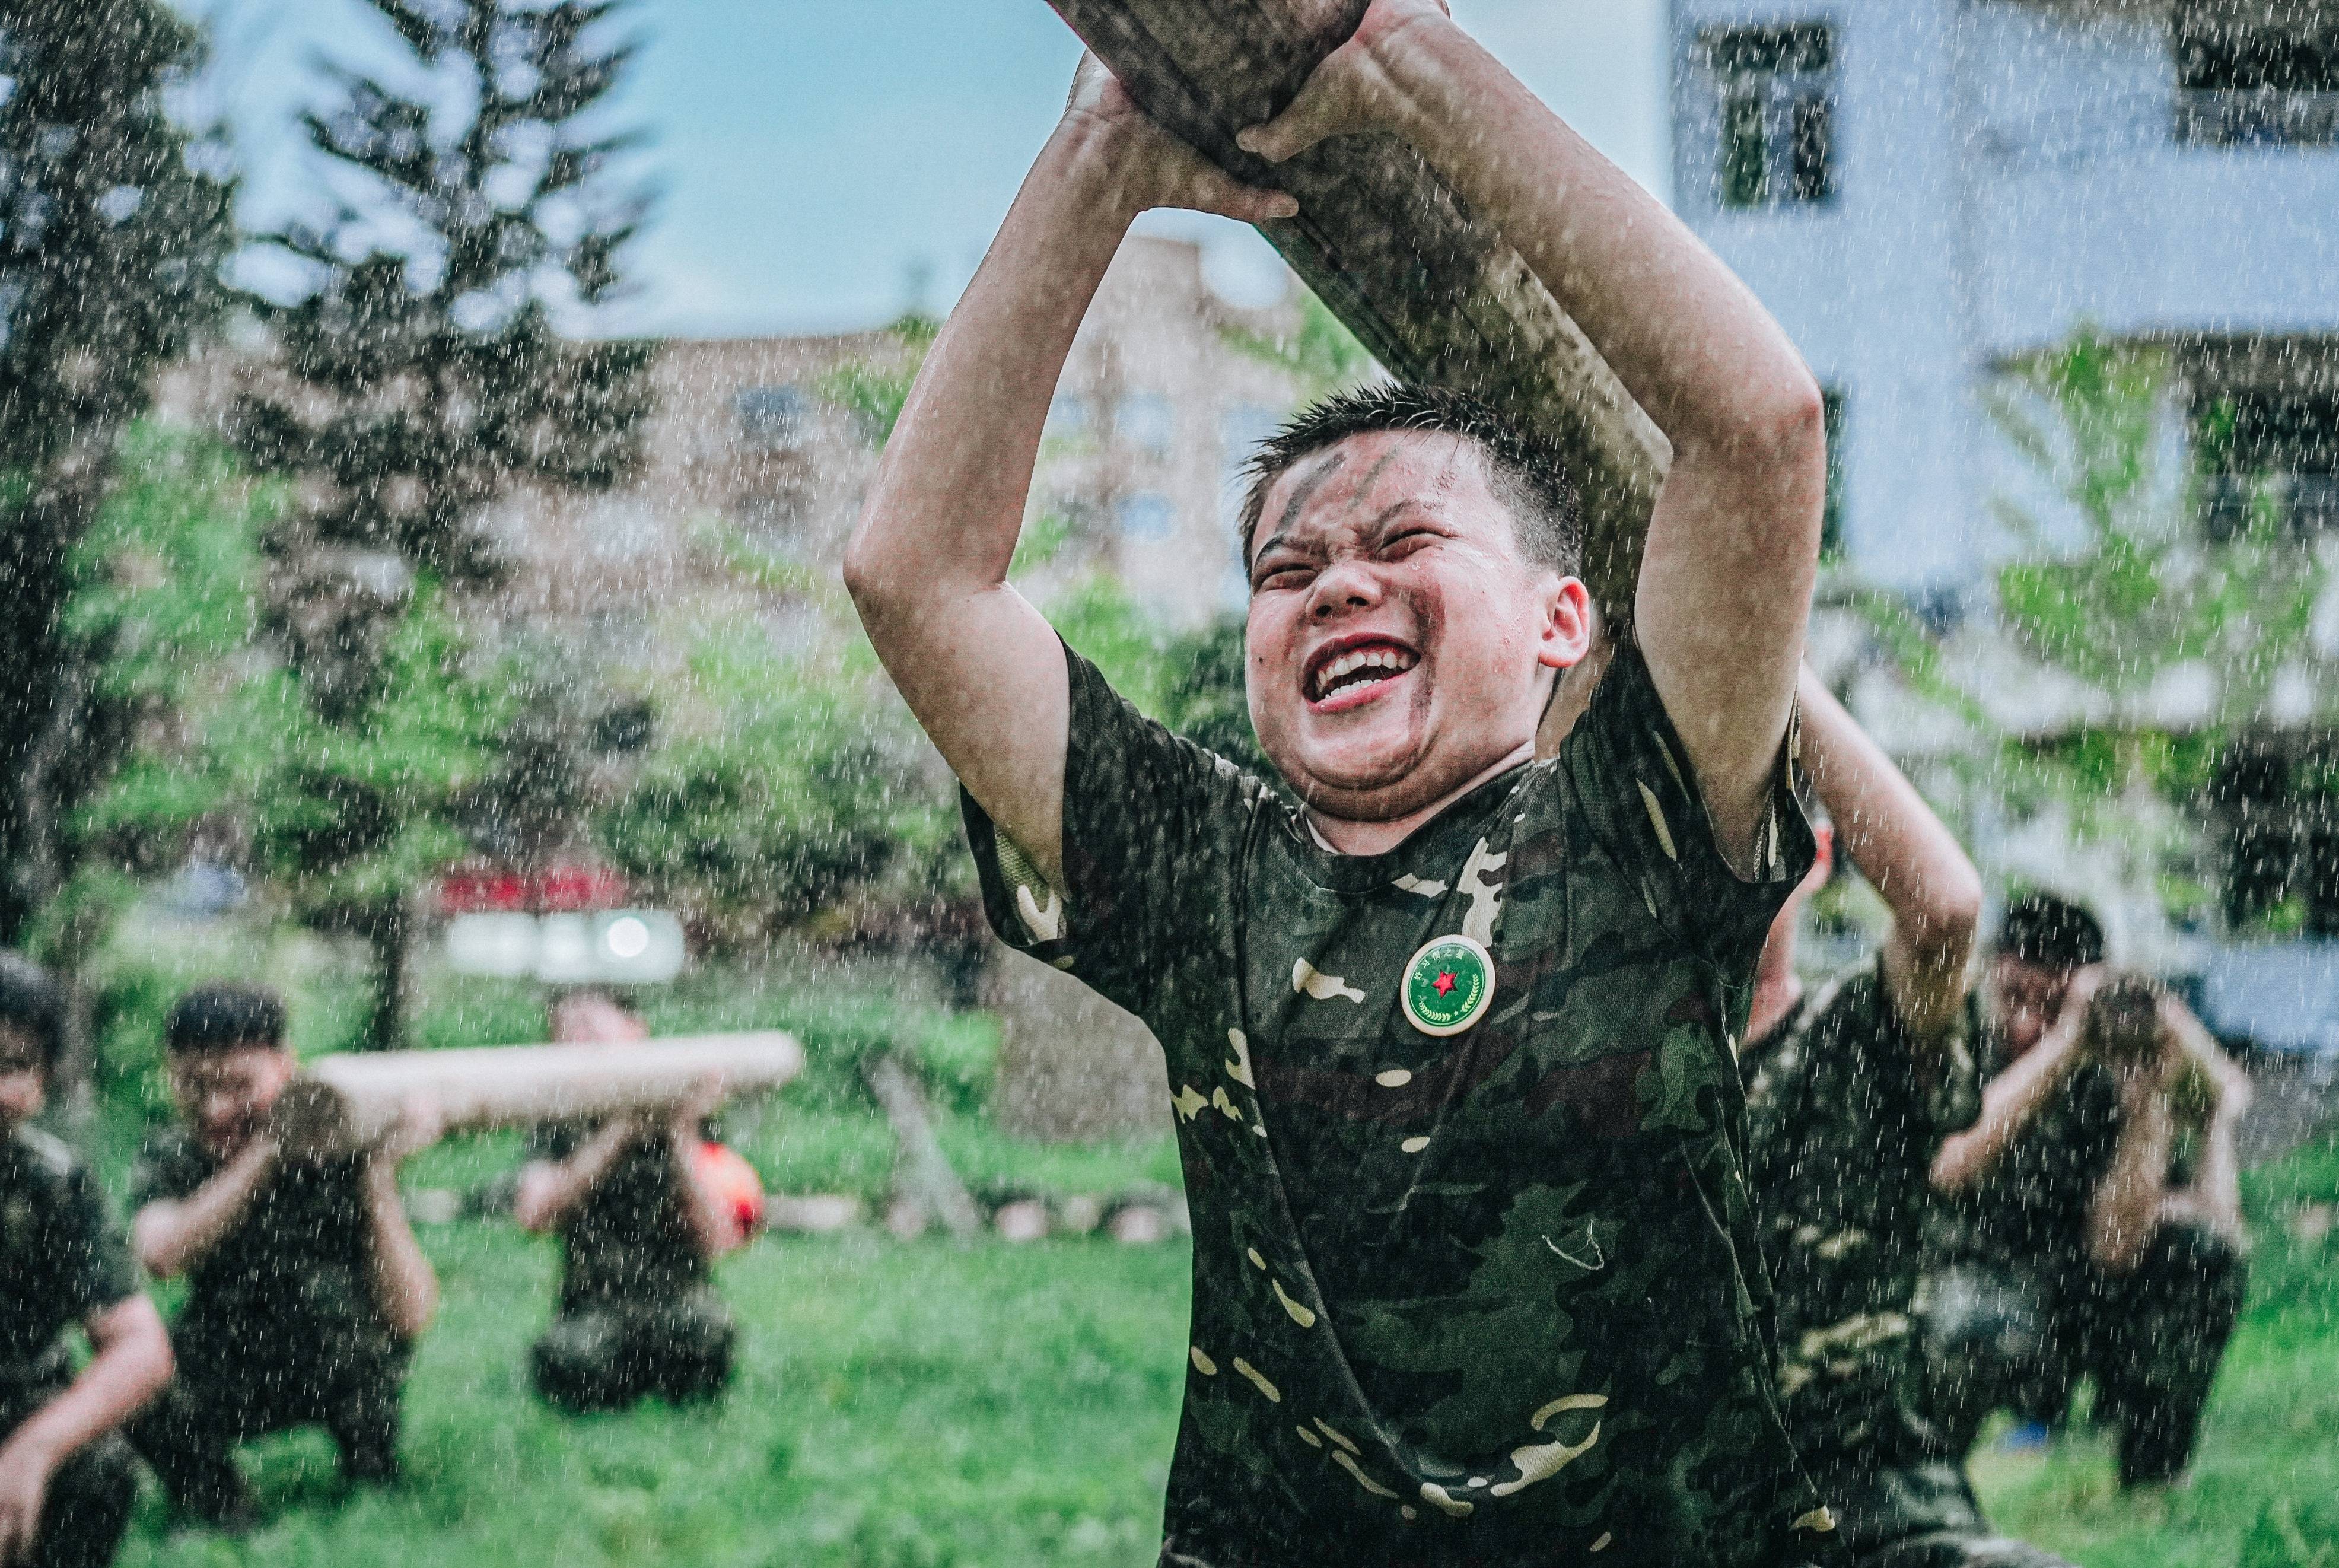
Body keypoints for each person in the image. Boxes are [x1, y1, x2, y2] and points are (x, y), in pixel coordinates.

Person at [844, 1, 1840, 1559]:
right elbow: (914, 579)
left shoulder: (1634, 817)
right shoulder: (1205, 872)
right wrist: (1097, 155)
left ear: (1563, 622)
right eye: (1286, 565)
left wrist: (1400, 67)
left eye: (1399, 544)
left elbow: (1760, 429)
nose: (1330, 587)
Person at [1743, 678, 2073, 1567]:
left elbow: (1944, 911)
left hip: (1880, 1506)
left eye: (1736, 820)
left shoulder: (1856, 1033)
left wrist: (1759, 651)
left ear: (1813, 855)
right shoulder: (1616, 1066)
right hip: (1694, 1517)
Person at [1920, 897, 2251, 1490]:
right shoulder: (1961, 1033)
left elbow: (2118, 1247)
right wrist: (2062, 1043)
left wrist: (2155, 1094)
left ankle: (2152, 1476)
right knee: (1958, 1317)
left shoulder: (2114, 1059)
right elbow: (1950, 1166)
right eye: (2013, 997)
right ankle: (1926, 1483)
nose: (2024, 1022)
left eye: (2047, 1005)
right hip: (1984, 1287)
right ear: (1990, 974)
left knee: (2200, 1251)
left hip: (2087, 1300)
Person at [125, 984, 441, 1523]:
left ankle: (371, 1465)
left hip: (337, 1357)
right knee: (134, 1379)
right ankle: (223, 1506)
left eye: (238, 1084)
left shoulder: (340, 1137)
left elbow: (412, 1314)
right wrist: (266, 1150)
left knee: (334, 1305)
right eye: (193, 1085)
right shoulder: (173, 1152)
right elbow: (161, 1253)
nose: (216, 1107)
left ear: (286, 1066)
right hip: (232, 1352)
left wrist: (378, 1176)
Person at [0, 956, 173, 1568]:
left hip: (9, 1414)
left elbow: (142, 1348)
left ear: (42, 1081)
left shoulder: (51, 1185)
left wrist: (33, 1449)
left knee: (95, 1471)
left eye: (12, 1066)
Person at [514, 991, 746, 1413]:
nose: (579, 1038)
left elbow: (721, 1236)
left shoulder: (690, 1112)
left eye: (591, 1025)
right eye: (567, 1030)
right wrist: (619, 1132)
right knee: (573, 1358)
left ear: (637, 1029)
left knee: (703, 1335)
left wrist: (678, 1135)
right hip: (592, 1307)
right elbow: (534, 1215)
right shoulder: (558, 1117)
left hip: (677, 1304)